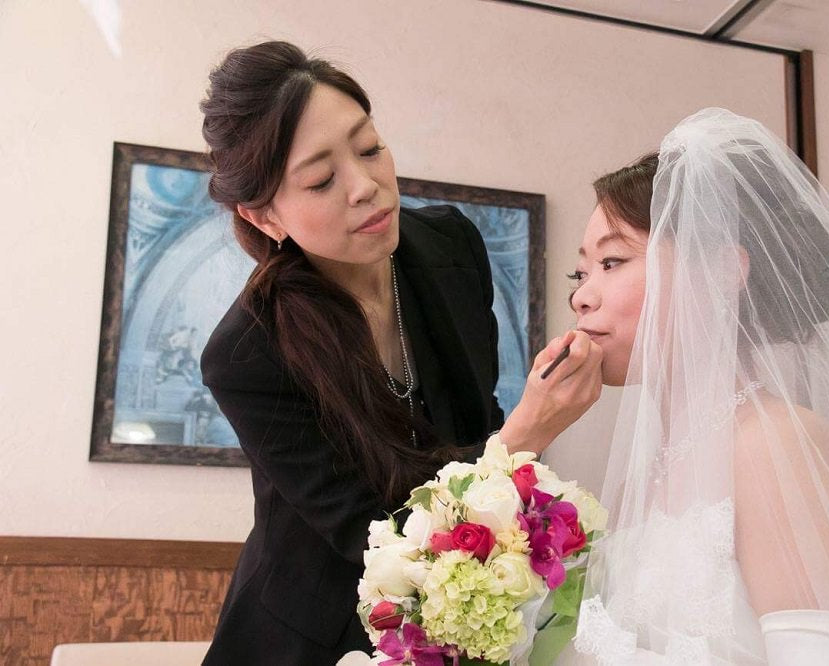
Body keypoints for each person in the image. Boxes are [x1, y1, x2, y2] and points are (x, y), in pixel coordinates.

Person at [197, 41, 602, 665]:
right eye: (321, 180)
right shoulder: (248, 353)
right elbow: (374, 531)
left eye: (369, 148)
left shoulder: (450, 246)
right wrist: (528, 431)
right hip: (313, 635)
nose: (367, 187)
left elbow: (475, 420)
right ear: (264, 217)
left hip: (461, 615)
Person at [566, 109, 829, 664]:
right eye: (581, 274)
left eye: (611, 261)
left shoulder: (775, 447)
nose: (581, 297)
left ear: (724, 271)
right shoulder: (645, 470)